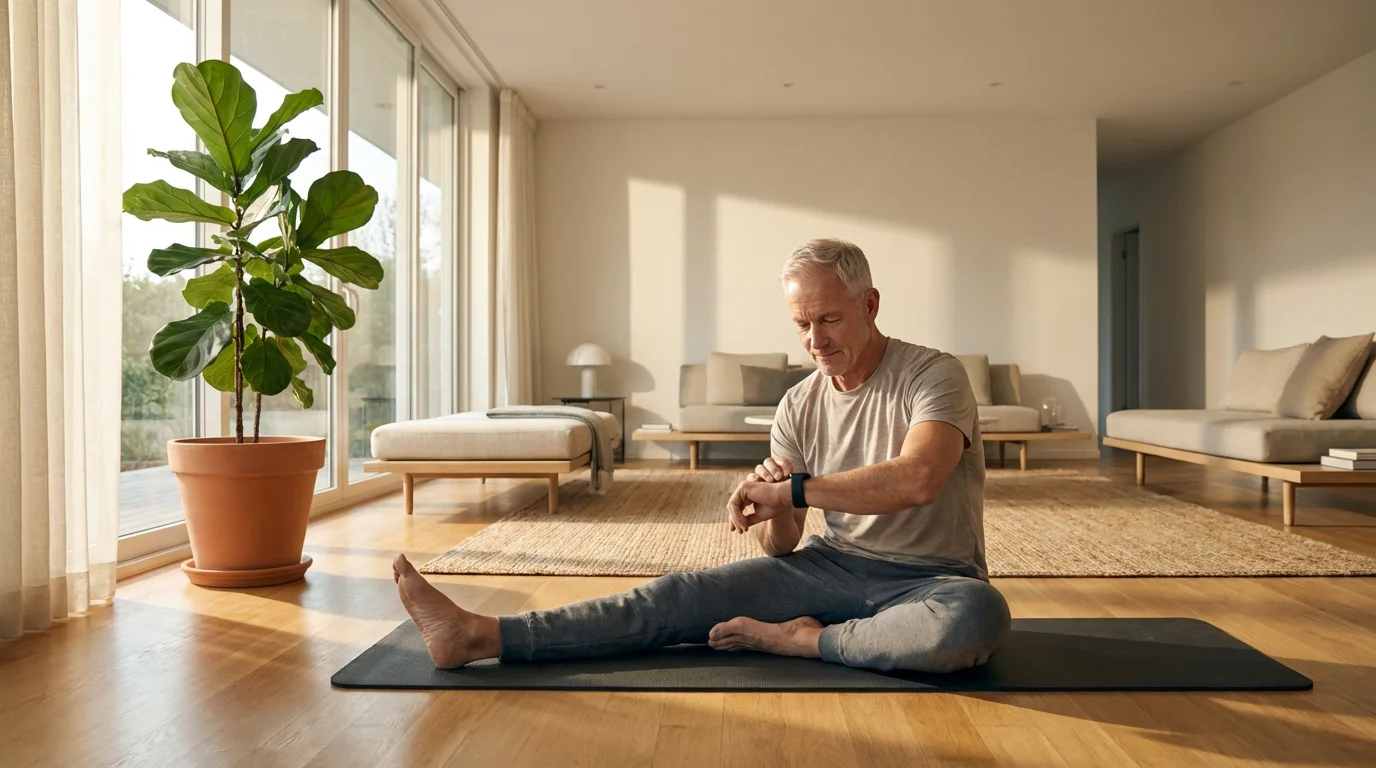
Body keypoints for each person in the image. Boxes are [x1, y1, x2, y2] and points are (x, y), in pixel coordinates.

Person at [391, 237, 1011, 673]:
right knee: (678, 595)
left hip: (934, 580)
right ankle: (480, 635)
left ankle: (802, 643)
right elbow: (784, 549)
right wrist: (777, 502)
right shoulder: (799, 404)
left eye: (830, 319)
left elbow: (919, 479)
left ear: (870, 305)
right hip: (834, 566)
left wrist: (796, 489)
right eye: (801, 324)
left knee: (976, 619)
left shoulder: (934, 374)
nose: (814, 341)